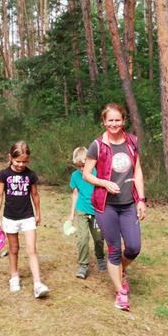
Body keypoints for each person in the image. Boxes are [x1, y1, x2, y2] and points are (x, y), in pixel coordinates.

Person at [83, 103, 146, 311]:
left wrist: (141, 199)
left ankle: (120, 270)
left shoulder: (132, 142)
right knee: (114, 249)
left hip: (128, 205)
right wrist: (104, 183)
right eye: (110, 120)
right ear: (104, 121)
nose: (114, 124)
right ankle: (120, 292)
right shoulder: (97, 145)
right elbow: (86, 174)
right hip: (105, 205)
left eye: (117, 120)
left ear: (123, 120)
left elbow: (137, 171)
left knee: (134, 247)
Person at [0, 141, 50, 298]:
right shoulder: (4, 174)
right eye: (17, 161)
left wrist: (38, 213)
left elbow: (35, 195)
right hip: (10, 218)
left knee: (32, 249)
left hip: (27, 217)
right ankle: (14, 277)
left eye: (24, 162)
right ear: (10, 158)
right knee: (14, 249)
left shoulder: (31, 175)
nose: (21, 165)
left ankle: (37, 284)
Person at [67, 146, 107, 280]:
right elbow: (75, 194)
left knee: (99, 238)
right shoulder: (75, 176)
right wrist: (72, 214)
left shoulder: (97, 172)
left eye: (83, 165)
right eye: (78, 166)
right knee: (82, 238)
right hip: (82, 211)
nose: (81, 169)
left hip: (97, 212)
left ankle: (100, 257)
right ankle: (83, 265)